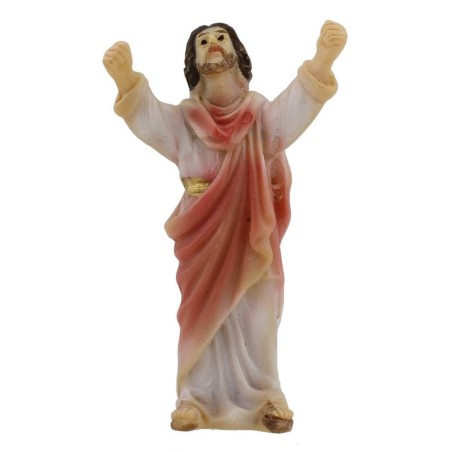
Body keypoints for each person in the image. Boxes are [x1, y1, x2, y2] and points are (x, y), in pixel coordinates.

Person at [103, 21, 346, 433]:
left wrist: (322, 60)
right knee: (202, 311)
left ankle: (267, 396)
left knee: (258, 307)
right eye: (202, 41)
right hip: (203, 228)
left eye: (220, 38)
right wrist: (126, 79)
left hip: (252, 223)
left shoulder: (259, 115)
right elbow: (151, 119)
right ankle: (194, 399)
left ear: (238, 54)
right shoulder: (185, 121)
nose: (212, 44)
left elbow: (290, 115)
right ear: (193, 62)